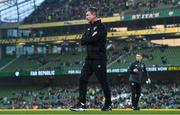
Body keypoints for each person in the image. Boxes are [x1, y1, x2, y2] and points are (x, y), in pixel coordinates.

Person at [70, 7, 112, 111]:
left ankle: (108, 104)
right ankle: (82, 104)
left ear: (94, 15)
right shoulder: (89, 28)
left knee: (103, 82)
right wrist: (89, 38)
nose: (86, 17)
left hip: (99, 59)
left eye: (88, 15)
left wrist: (89, 38)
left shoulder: (101, 27)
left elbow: (93, 39)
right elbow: (82, 41)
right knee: (82, 79)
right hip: (89, 59)